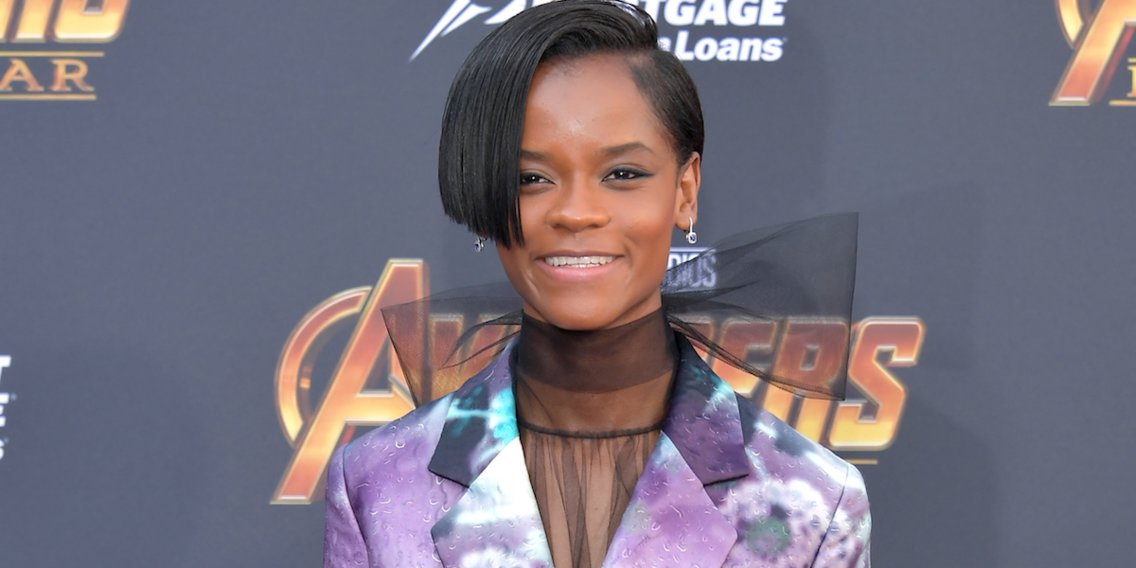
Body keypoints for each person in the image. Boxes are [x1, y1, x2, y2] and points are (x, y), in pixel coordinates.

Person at [324, 1, 870, 566]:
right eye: (531, 178)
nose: (577, 212)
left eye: (622, 174)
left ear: (685, 191)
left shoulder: (814, 502)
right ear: (485, 198)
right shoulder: (373, 482)